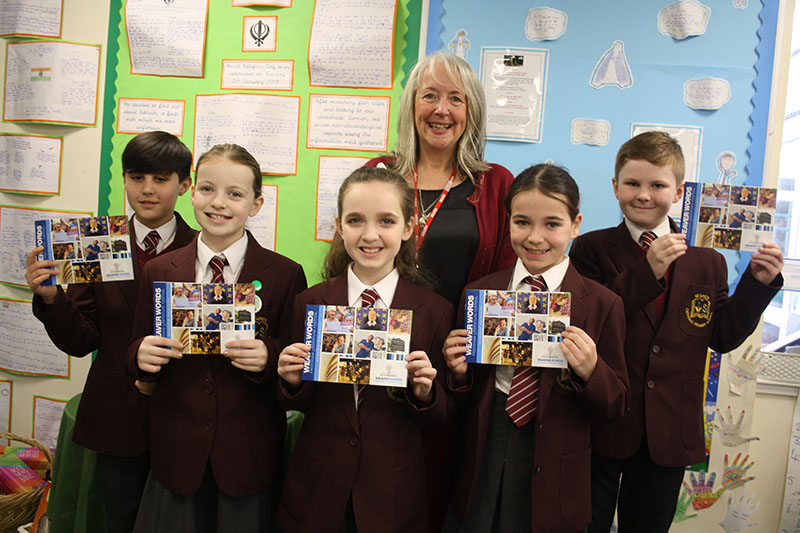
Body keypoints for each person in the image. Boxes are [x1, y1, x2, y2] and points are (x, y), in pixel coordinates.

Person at [569, 131, 784, 532]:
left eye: (658, 185)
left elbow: (720, 336)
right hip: (603, 422)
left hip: (669, 430)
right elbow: (589, 323)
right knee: (587, 523)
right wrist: (645, 271)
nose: (644, 195)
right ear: (615, 187)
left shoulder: (707, 261)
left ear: (679, 191)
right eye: (632, 183)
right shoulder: (590, 249)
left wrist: (756, 284)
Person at [126, 143, 307, 532]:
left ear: (256, 204)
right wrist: (141, 355)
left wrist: (270, 355)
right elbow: (135, 344)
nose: (218, 203)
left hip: (247, 457)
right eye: (207, 189)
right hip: (177, 453)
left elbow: (296, 357)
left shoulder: (285, 275)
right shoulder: (160, 270)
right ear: (192, 192)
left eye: (235, 194)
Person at [24, 131, 196, 533]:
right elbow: (82, 340)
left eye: (160, 179)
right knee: (122, 520)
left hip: (184, 414)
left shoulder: (203, 248)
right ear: (124, 180)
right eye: (136, 178)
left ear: (184, 185)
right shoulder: (98, 243)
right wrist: (52, 299)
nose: (147, 190)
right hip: (118, 415)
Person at [442, 164, 630, 532]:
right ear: (508, 222)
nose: (535, 237)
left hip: (556, 465)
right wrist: (458, 372)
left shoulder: (603, 304)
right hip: (485, 449)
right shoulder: (480, 294)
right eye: (522, 222)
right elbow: (460, 399)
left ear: (576, 225)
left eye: (553, 224)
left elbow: (616, 406)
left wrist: (592, 371)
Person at [276, 166, 453, 532]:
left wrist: (424, 392)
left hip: (392, 493)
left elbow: (438, 417)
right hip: (316, 489)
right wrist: (292, 381)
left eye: (386, 221)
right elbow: (295, 403)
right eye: (356, 220)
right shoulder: (310, 304)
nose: (370, 235)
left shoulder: (435, 311)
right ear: (339, 226)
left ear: (408, 228)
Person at [366, 52, 516, 308]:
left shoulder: (497, 184)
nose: (441, 109)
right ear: (411, 104)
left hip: (461, 339)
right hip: (387, 336)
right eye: (430, 96)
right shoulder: (378, 173)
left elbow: (508, 277)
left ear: (472, 111)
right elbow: (347, 259)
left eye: (456, 98)